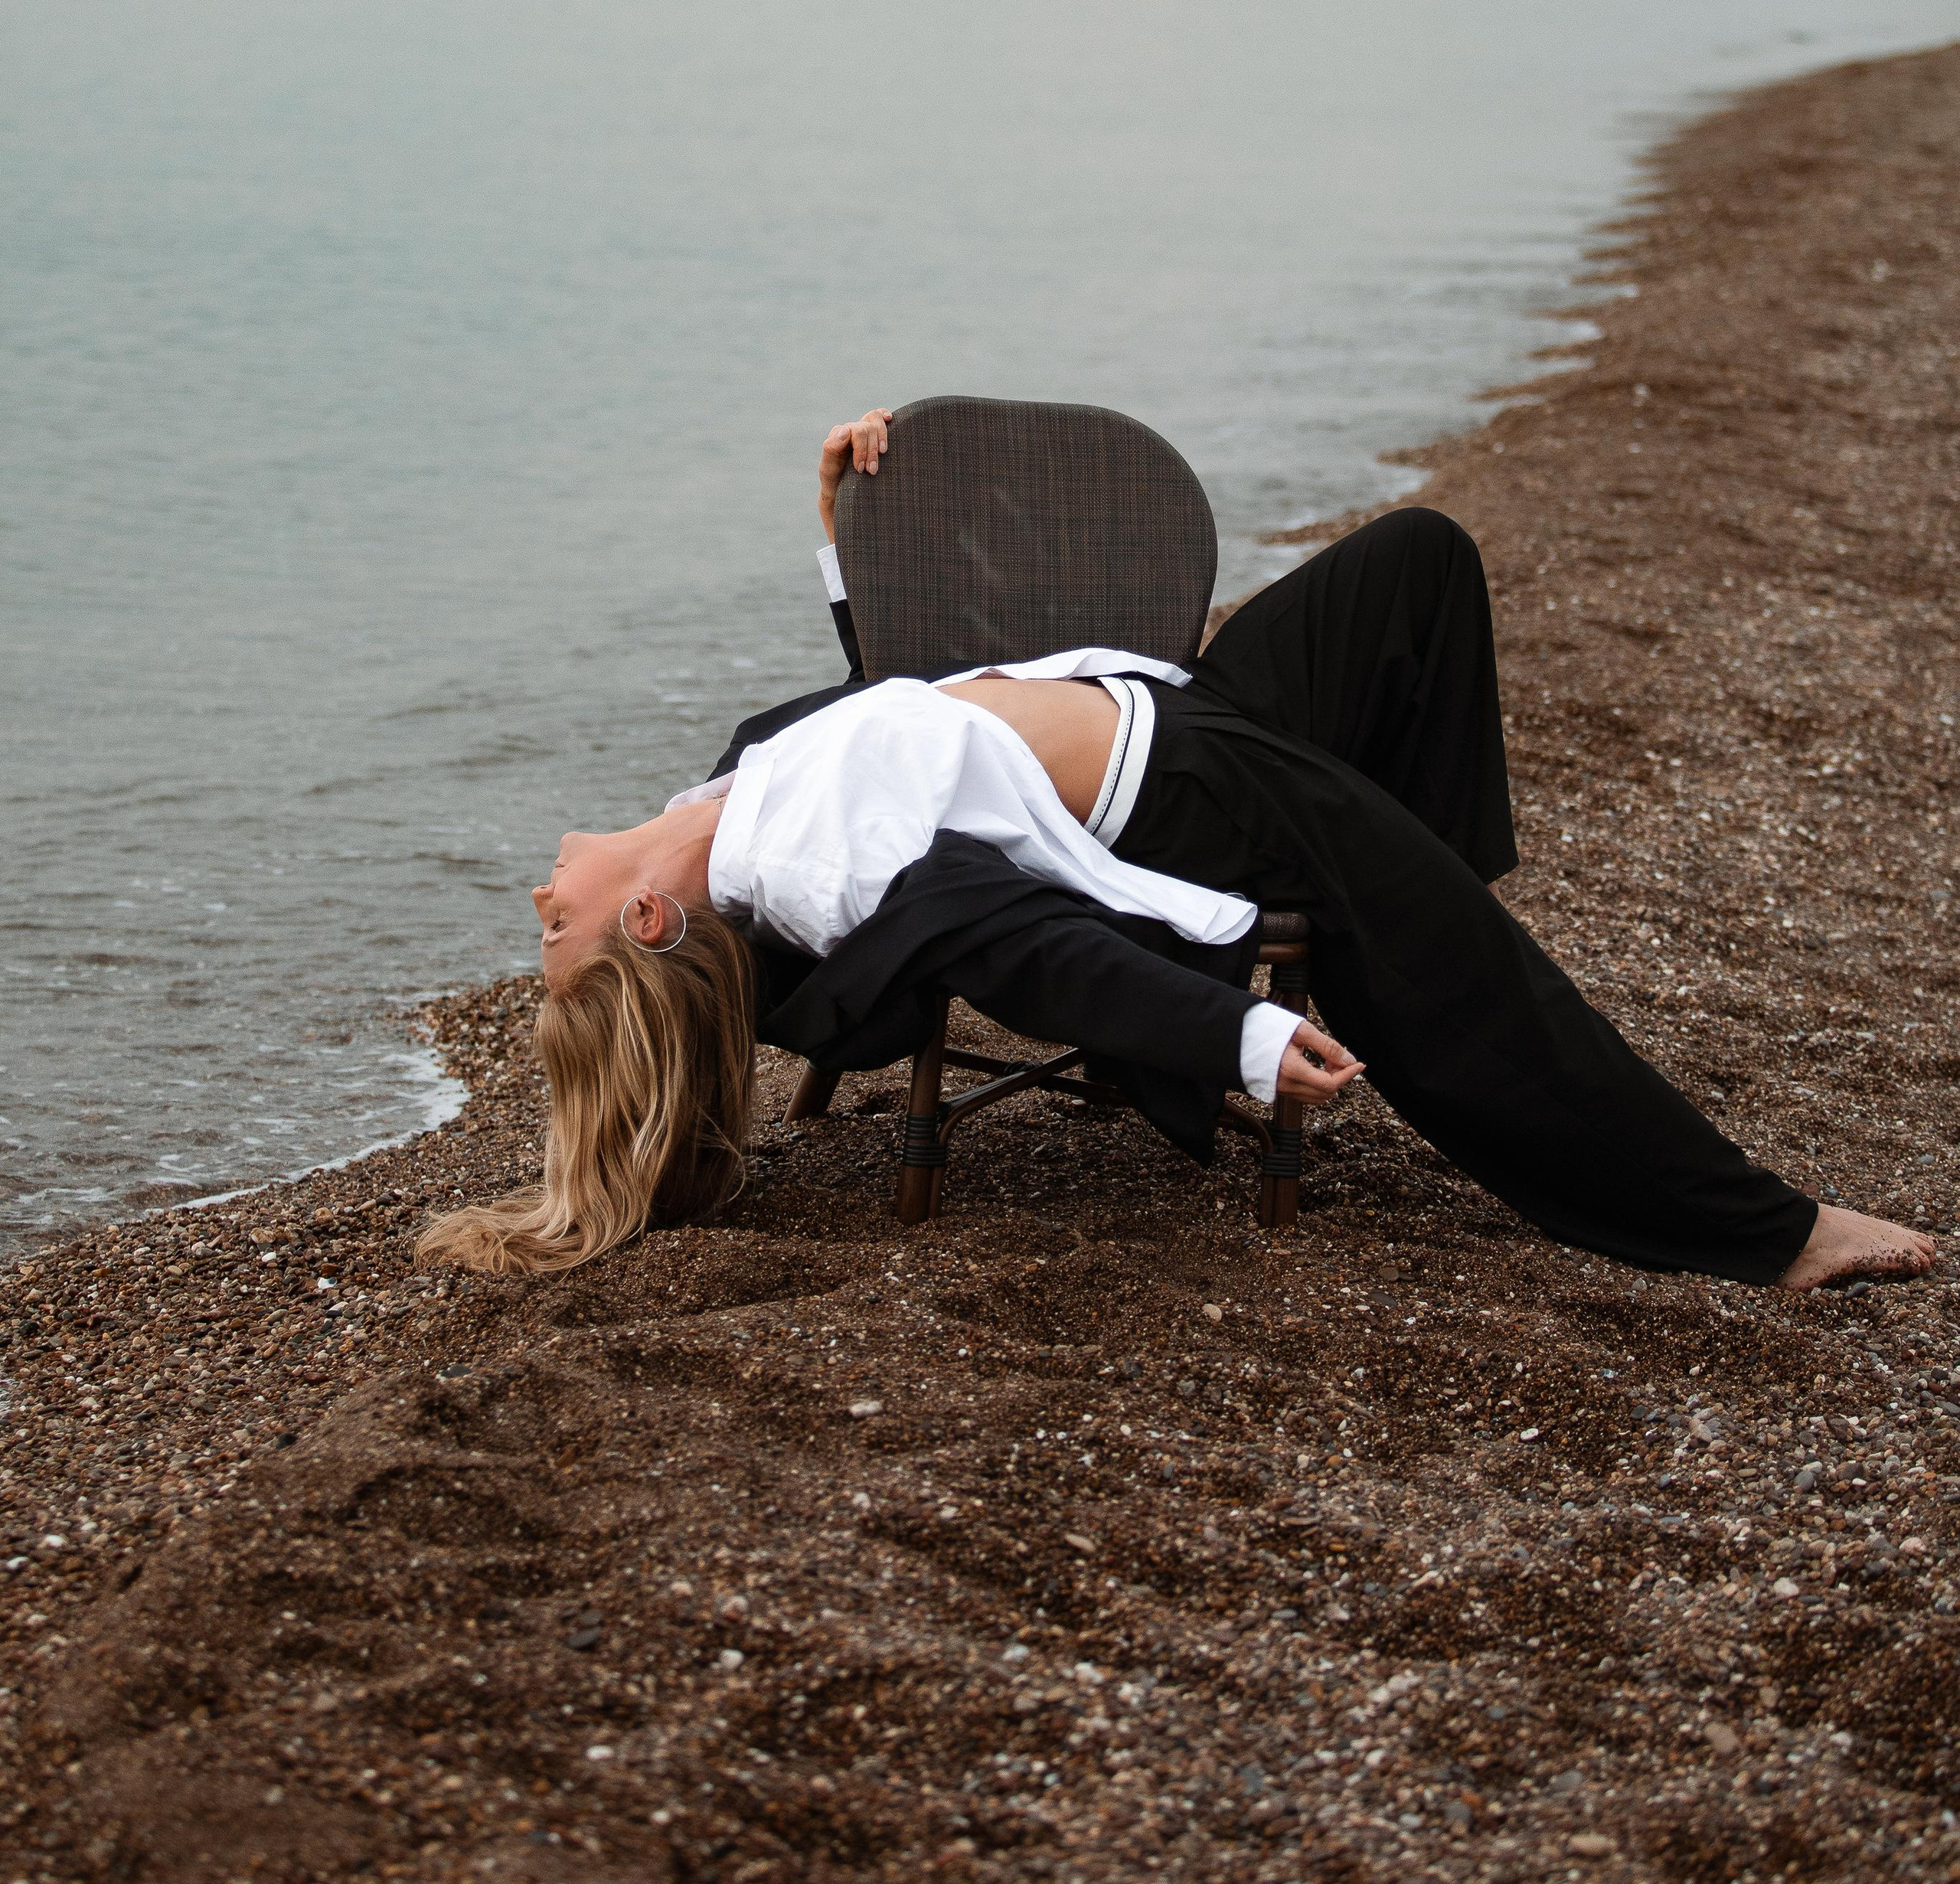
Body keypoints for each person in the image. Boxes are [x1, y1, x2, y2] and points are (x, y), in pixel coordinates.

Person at [420, 413, 1936, 1298]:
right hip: (1201, 795)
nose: (540, 903)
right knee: (1464, 969)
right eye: (559, 932)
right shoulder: (812, 868)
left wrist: (839, 528)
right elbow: (1017, 944)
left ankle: (1411, 930)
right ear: (651, 917)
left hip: (1182, 698)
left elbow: (888, 716)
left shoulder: (728, 793)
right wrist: (1241, 1038)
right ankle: (1758, 1227)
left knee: (1415, 566)